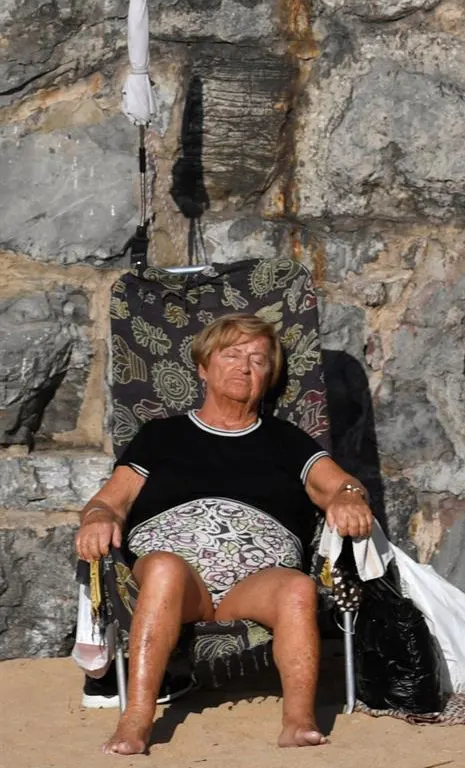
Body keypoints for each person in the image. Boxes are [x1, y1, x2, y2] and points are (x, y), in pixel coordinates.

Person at [73, 314, 376, 755]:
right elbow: (110, 500)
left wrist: (348, 497)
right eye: (231, 355)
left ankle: (298, 721)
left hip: (257, 584)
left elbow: (339, 485)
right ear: (203, 367)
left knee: (296, 587)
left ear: (269, 376)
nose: (244, 366)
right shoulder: (162, 436)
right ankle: (136, 718)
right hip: (179, 584)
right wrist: (97, 516)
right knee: (161, 567)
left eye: (257, 358)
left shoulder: (287, 441)